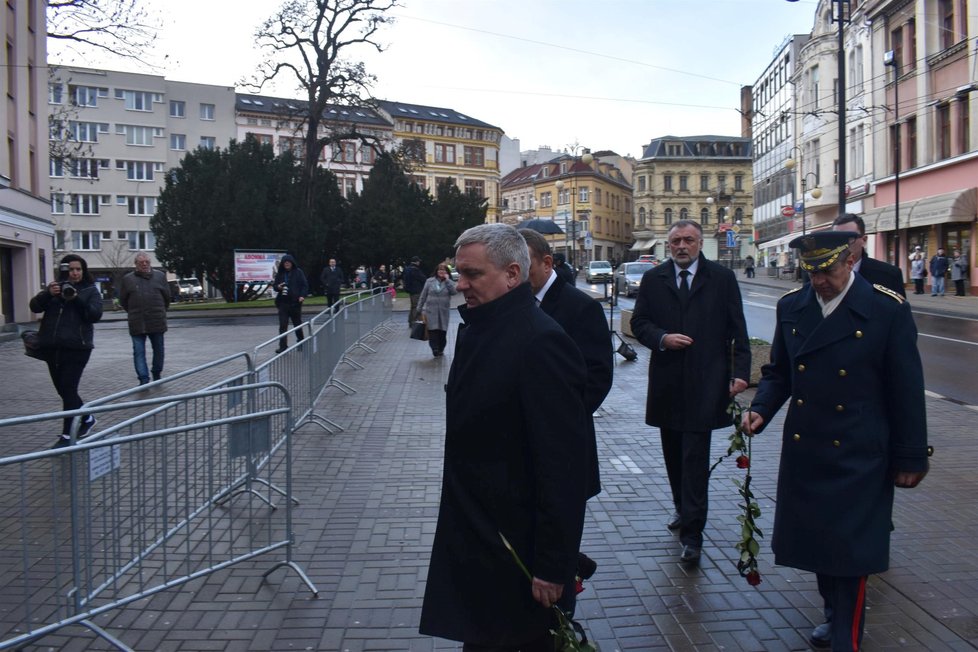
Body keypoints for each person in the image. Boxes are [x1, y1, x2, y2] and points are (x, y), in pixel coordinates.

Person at [743, 231, 929, 651]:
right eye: (811, 273)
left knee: (851, 556)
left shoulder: (886, 309)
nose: (820, 281)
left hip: (860, 455)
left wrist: (912, 456)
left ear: (849, 259)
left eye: (827, 270)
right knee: (819, 547)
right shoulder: (792, 306)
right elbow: (780, 372)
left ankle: (846, 635)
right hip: (807, 450)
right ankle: (833, 613)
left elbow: (906, 388)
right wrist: (762, 409)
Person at [419, 223, 590, 651]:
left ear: (513, 274)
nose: (460, 285)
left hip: (519, 557)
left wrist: (553, 565)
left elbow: (565, 468)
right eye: (458, 273)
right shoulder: (479, 328)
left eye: (472, 275)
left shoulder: (541, 342)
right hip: (479, 543)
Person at [629, 219, 750, 566]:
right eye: (676, 241)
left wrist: (740, 373)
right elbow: (640, 323)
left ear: (700, 243)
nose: (682, 246)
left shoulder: (722, 279)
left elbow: (737, 330)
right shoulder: (655, 279)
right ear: (669, 246)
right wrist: (662, 338)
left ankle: (693, 535)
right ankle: (683, 508)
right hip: (668, 382)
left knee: (695, 458)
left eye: (689, 240)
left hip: (706, 381)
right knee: (673, 454)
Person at [520, 228, 613, 614]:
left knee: (558, 530)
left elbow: (597, 377)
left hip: (564, 444)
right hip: (520, 446)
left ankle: (562, 610)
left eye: (524, 265)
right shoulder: (512, 303)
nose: (516, 273)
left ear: (546, 262)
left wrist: (557, 419)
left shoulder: (580, 307)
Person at [29, 254, 104, 448]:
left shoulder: (89, 291)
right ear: (65, 271)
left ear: (83, 271)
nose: (75, 273)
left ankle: (66, 436)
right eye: (71, 269)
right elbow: (35, 307)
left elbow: (94, 315)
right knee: (63, 390)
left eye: (78, 269)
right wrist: (47, 293)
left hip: (78, 348)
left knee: (69, 388)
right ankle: (87, 417)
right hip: (52, 348)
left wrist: (75, 298)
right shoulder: (55, 290)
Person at [119, 253, 171, 386]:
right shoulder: (128, 279)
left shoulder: (160, 276)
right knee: (138, 351)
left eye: (147, 261)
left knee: (159, 349)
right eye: (141, 262)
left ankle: (157, 373)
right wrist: (133, 312)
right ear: (135, 264)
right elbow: (124, 301)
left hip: (156, 320)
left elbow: (167, 297)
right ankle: (143, 379)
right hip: (137, 322)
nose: (144, 264)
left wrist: (161, 311)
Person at [832, 213, 906, 297]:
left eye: (849, 238)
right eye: (836, 239)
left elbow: (898, 309)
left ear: (864, 240)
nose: (842, 245)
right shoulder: (820, 276)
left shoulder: (889, 275)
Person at [415, 262, 457, 357]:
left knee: (442, 332)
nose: (441, 271)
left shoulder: (449, 282)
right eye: (440, 270)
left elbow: (454, 292)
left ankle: (441, 348)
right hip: (431, 311)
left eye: (443, 270)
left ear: (447, 272)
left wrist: (447, 281)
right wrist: (419, 308)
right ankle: (435, 348)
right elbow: (423, 295)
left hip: (443, 311)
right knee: (432, 331)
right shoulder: (429, 281)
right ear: (436, 271)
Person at [273, 254, 308, 353]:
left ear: (292, 263)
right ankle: (283, 346)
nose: (287, 264)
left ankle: (301, 342)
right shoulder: (280, 274)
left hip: (295, 303)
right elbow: (275, 286)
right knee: (283, 325)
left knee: (297, 324)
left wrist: (302, 296)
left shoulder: (298, 272)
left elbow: (304, 285)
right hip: (283, 303)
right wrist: (278, 287)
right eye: (285, 262)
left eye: (289, 262)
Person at [402, 256, 426, 325]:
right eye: (418, 261)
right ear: (416, 262)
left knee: (413, 306)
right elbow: (423, 278)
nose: (419, 263)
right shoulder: (415, 270)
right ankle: (416, 322)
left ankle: (410, 321)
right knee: (416, 306)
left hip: (411, 291)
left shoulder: (407, 269)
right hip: (416, 290)